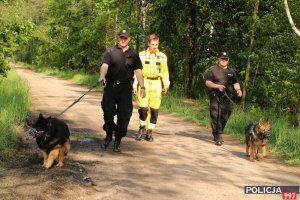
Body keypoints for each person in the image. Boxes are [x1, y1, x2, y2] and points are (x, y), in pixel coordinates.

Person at [98, 29, 146, 152]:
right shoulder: (110, 51)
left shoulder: (134, 54)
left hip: (125, 88)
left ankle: (118, 139)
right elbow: (104, 66)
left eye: (125, 38)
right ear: (118, 38)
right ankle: (109, 134)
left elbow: (139, 71)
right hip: (111, 87)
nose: (123, 40)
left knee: (124, 116)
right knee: (108, 112)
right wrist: (102, 76)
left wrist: (142, 87)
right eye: (121, 37)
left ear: (129, 39)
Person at [133, 34, 170, 142]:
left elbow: (165, 72)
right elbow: (137, 71)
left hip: (156, 84)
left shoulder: (162, 56)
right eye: (153, 44)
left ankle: (149, 132)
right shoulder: (141, 55)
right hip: (144, 83)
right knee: (143, 108)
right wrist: (135, 84)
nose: (155, 47)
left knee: (154, 110)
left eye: (157, 44)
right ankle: (141, 128)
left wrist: (166, 85)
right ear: (149, 44)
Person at [204, 52, 243, 146]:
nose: (224, 60)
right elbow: (207, 83)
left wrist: (238, 90)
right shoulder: (212, 70)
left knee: (225, 116)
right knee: (215, 115)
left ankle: (219, 131)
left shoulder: (231, 71)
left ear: (228, 60)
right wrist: (217, 86)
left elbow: (236, 82)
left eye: (225, 59)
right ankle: (217, 135)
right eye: (222, 59)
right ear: (219, 59)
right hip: (215, 96)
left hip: (228, 97)